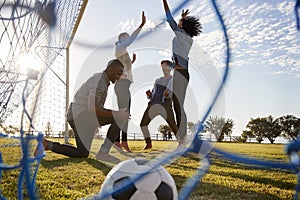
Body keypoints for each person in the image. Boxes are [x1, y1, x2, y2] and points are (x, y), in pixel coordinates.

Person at [35, 59, 130, 163]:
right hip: (80, 115)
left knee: (83, 153)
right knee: (120, 117)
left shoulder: (102, 80)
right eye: (118, 73)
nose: (120, 77)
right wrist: (116, 114)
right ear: (111, 69)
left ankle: (47, 144)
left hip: (75, 117)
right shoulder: (99, 82)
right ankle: (103, 153)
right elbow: (92, 108)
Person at [162, 0, 202, 150]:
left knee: (178, 106)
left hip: (181, 73)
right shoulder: (188, 38)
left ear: (182, 26)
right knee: (178, 105)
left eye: (180, 22)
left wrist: (164, 1)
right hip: (184, 73)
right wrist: (183, 18)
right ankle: (182, 139)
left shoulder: (180, 34)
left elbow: (168, 18)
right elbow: (181, 61)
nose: (178, 23)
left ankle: (182, 140)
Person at [113, 11, 146, 153]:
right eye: (126, 38)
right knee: (124, 113)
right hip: (121, 85)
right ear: (122, 40)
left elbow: (123, 66)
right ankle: (119, 141)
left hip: (123, 85)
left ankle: (120, 141)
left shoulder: (123, 52)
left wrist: (131, 62)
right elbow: (131, 40)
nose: (128, 41)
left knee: (125, 113)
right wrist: (141, 25)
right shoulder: (120, 48)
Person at [140, 60, 178, 150]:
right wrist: (149, 95)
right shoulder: (157, 80)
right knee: (143, 124)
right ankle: (148, 143)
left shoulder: (173, 80)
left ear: (170, 68)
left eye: (166, 66)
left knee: (173, 125)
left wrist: (167, 95)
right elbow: (154, 93)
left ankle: (181, 144)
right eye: (162, 66)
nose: (164, 68)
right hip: (153, 105)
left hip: (165, 105)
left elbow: (173, 93)